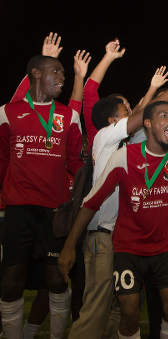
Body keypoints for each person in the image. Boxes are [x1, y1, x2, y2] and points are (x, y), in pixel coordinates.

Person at [59, 100, 168, 339]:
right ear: (147, 124)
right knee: (129, 310)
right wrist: (69, 247)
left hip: (163, 247)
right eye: (164, 115)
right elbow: (91, 202)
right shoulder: (124, 157)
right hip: (128, 248)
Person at [0, 54, 83, 339]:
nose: (62, 77)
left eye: (63, 73)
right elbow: (1, 162)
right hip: (18, 210)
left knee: (57, 280)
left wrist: (79, 202)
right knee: (11, 281)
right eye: (56, 71)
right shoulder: (7, 112)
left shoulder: (69, 116)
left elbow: (77, 164)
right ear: (36, 73)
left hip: (54, 212)